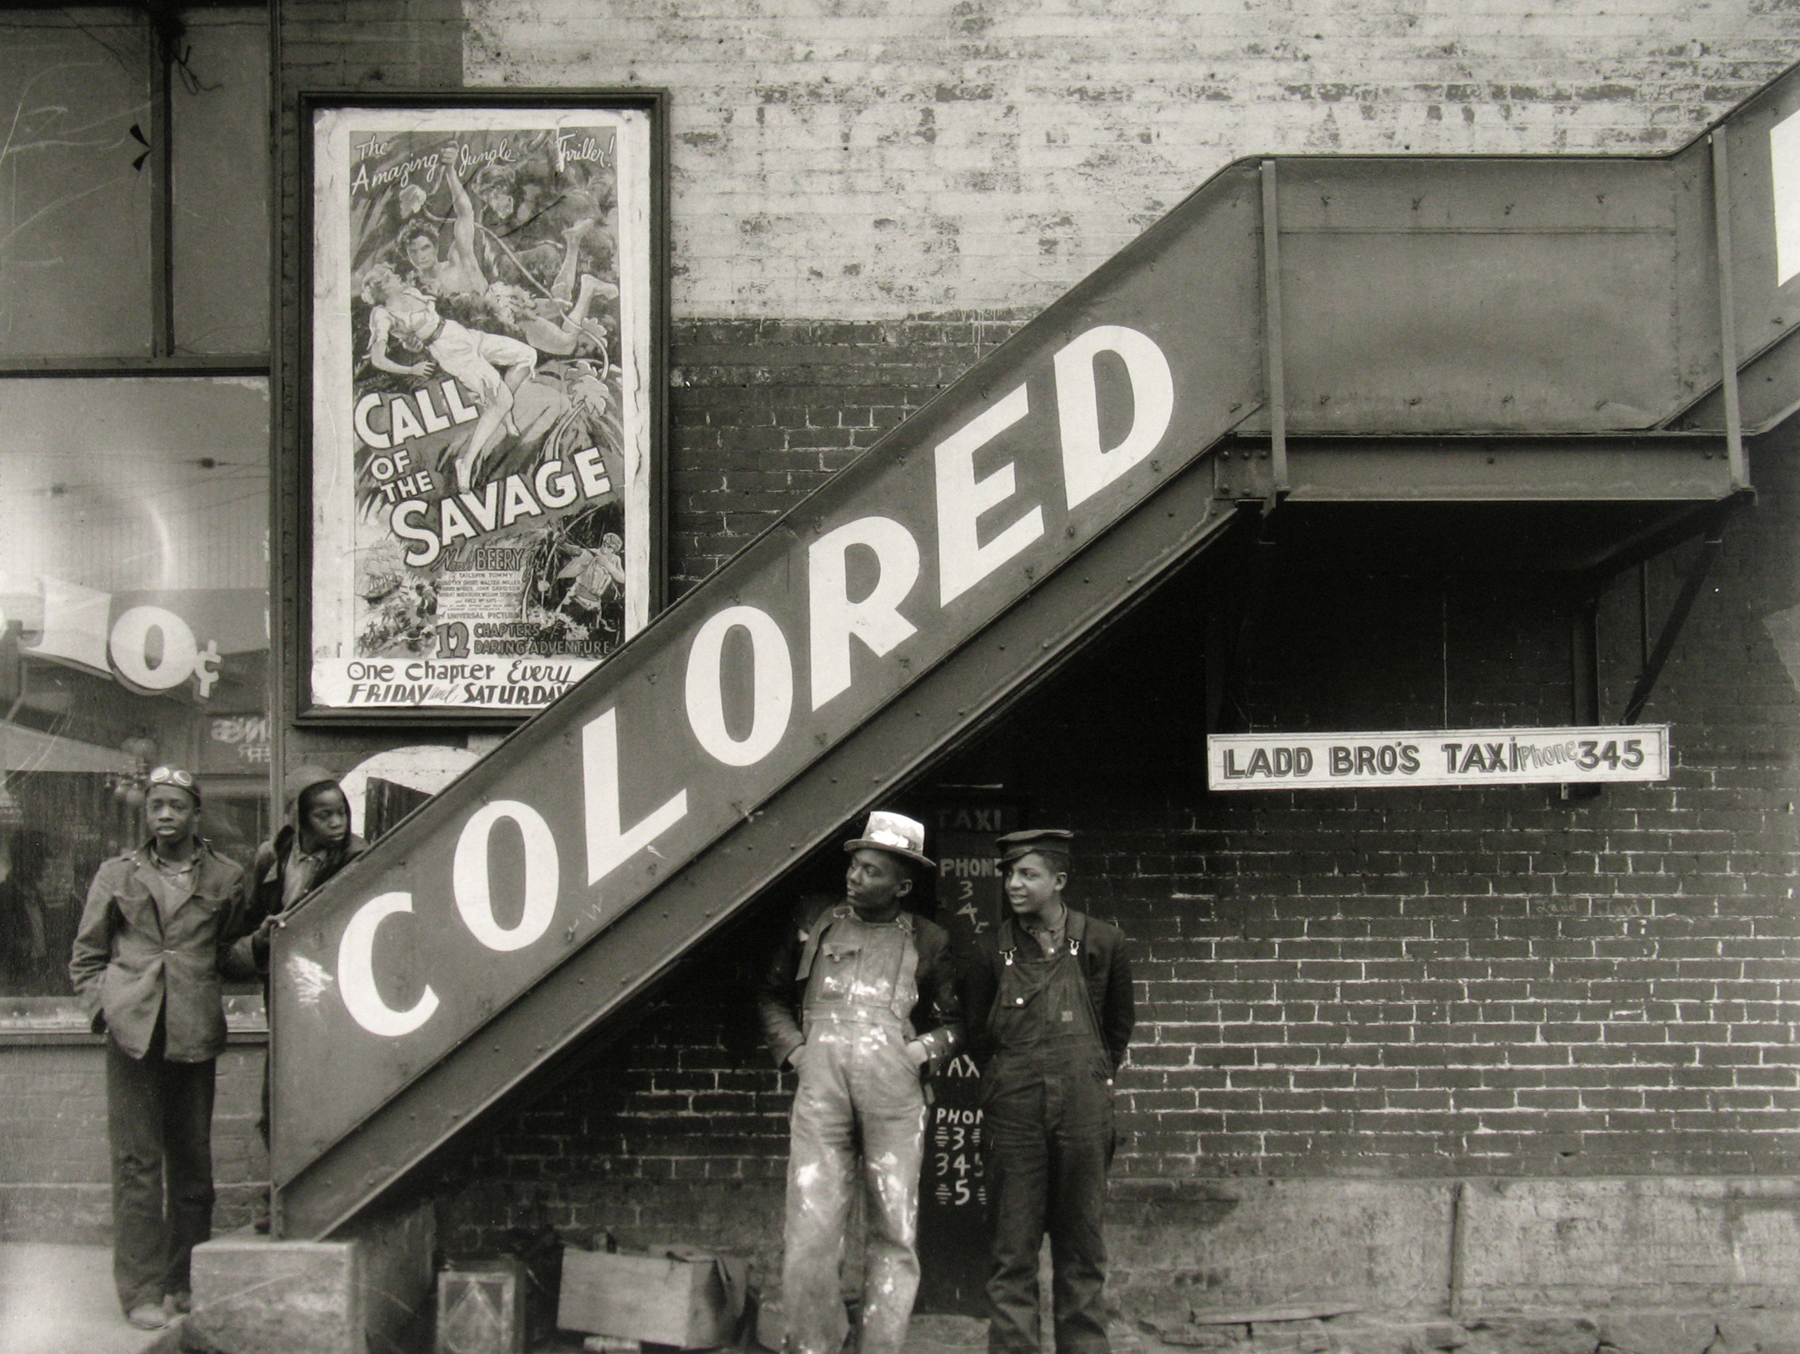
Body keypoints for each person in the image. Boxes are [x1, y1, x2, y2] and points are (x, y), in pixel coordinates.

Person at [756, 811, 963, 1354]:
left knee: (894, 1231)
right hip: (820, 1094)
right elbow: (770, 995)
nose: (855, 878)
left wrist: (917, 1050)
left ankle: (881, 1345)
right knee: (809, 1234)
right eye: (854, 866)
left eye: (872, 871)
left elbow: (956, 1023)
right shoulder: (814, 922)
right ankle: (814, 1344)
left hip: (894, 1101)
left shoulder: (930, 938)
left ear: (902, 884)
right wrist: (796, 1053)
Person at [67, 767, 253, 1331]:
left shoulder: (227, 876)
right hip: (133, 1037)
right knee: (137, 1167)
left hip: (193, 1033)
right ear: (145, 814)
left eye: (175, 805)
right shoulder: (115, 873)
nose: (164, 815)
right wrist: (105, 1009)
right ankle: (142, 1290)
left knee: (193, 1166)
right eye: (155, 807)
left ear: (196, 813)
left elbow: (229, 953)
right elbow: (87, 956)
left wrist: (266, 942)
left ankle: (185, 1281)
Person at [964, 829, 1134, 1354]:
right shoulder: (986, 951)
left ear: (1059, 880)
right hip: (1012, 1115)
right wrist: (1015, 1081)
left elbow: (1117, 1029)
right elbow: (976, 1035)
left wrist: (1083, 1080)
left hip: (1083, 1114)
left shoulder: (1103, 943)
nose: (1013, 884)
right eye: (1009, 874)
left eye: (1027, 874)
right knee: (1011, 1254)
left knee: (1082, 1252)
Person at [239, 767, 369, 1161]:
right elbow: (249, 919)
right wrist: (264, 935)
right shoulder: (271, 857)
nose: (336, 823)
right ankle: (279, 1187)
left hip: (334, 986)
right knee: (278, 1093)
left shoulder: (357, 855)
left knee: (329, 1085)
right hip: (282, 988)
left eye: (341, 813)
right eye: (323, 815)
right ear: (298, 818)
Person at [361, 261, 538, 491]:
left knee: (526, 355)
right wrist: (411, 369)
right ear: (384, 286)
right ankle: (466, 461)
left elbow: (411, 341)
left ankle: (501, 412)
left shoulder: (410, 292)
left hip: (462, 334)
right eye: (391, 276)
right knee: (503, 400)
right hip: (451, 351)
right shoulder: (382, 315)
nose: (397, 276)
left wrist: (411, 343)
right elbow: (378, 359)